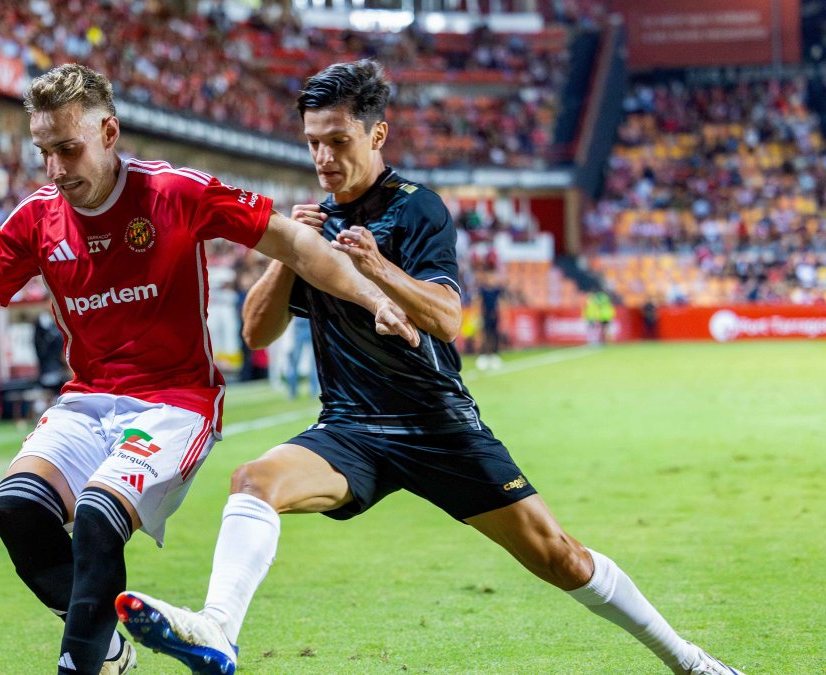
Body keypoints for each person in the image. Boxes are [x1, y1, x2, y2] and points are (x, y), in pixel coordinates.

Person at [116, 60, 743, 675]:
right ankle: (218, 631)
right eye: (313, 143)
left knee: (560, 557)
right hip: (352, 430)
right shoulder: (314, 224)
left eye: (338, 141)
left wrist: (377, 267)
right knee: (253, 480)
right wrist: (290, 253)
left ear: (377, 135)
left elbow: (446, 318)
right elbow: (258, 332)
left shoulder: (418, 209)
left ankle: (689, 661)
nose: (323, 157)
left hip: (437, 425)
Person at [0, 64, 417, 675]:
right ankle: (106, 650)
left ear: (108, 132)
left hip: (175, 403)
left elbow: (293, 242)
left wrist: (373, 297)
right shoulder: (35, 219)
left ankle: (82, 664)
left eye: (68, 149)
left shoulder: (175, 192)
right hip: (87, 399)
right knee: (18, 509)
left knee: (98, 520)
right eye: (43, 152)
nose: (55, 169)